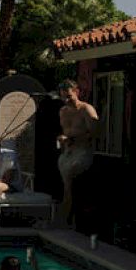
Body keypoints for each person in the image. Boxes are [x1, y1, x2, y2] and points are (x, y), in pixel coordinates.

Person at [57, 79, 99, 225]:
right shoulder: (63, 111)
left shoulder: (86, 110)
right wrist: (64, 140)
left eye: (68, 96)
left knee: (70, 174)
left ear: (77, 92)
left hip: (83, 151)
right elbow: (65, 132)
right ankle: (68, 215)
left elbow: (94, 134)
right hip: (68, 151)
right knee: (66, 181)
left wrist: (73, 137)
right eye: (63, 97)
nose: (66, 100)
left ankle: (65, 216)